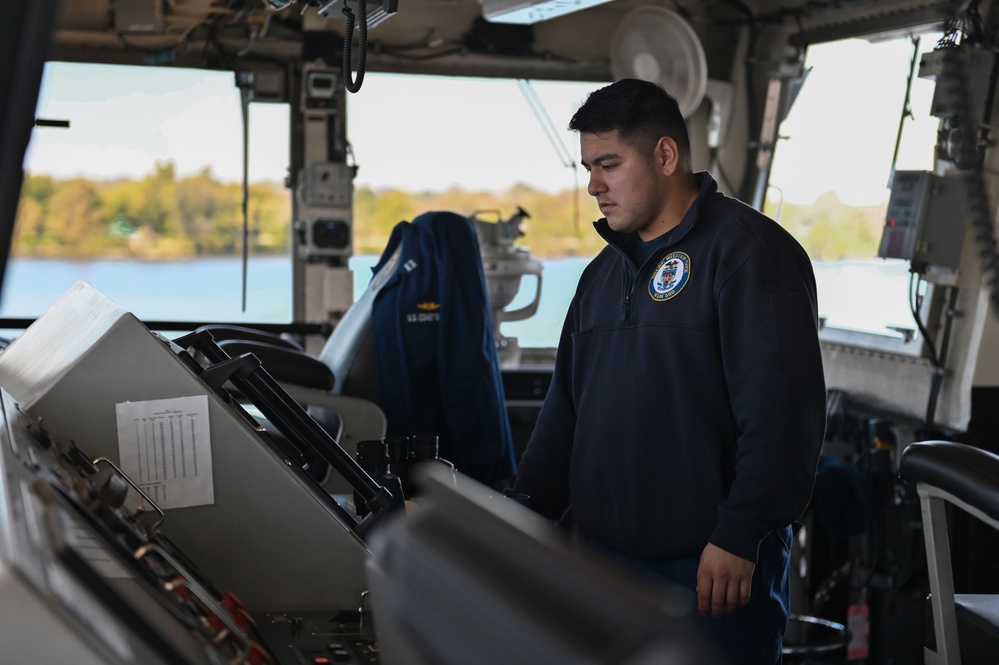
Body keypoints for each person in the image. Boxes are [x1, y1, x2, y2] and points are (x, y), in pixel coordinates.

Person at [512, 78, 826, 664]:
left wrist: (740, 532)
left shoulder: (753, 255)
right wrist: (522, 516)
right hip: (601, 565)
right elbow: (564, 416)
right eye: (587, 167)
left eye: (609, 164)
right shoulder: (601, 276)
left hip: (711, 568)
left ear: (665, 155)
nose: (592, 186)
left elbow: (783, 417)